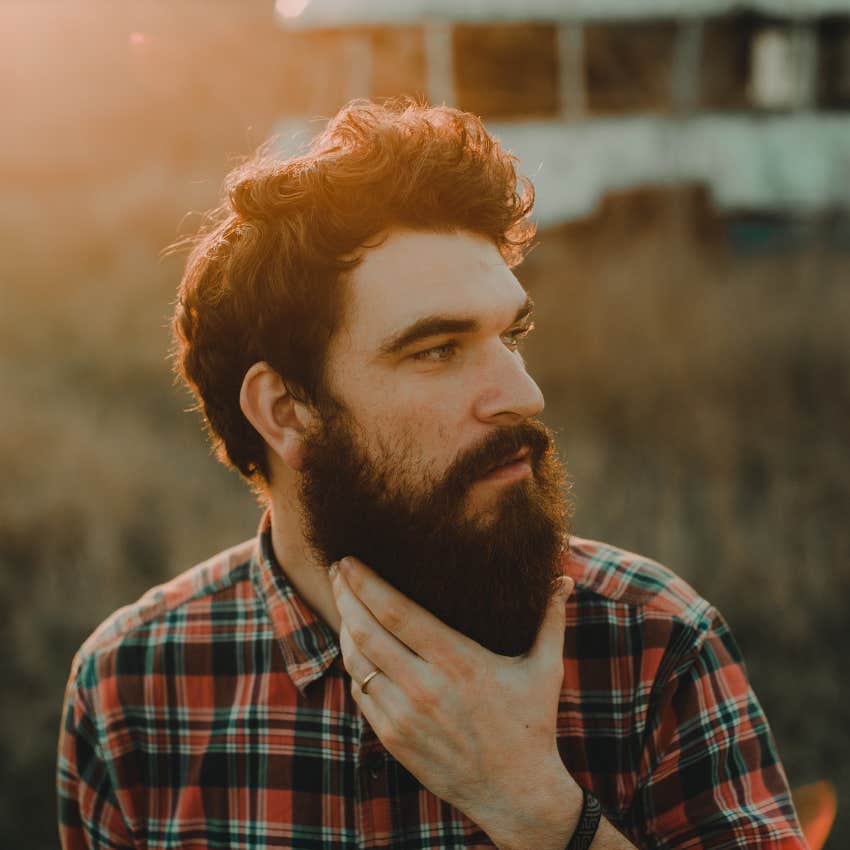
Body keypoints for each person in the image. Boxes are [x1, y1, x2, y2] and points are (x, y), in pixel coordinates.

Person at [57, 99, 807, 850]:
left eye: (511, 335)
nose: (524, 395)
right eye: (438, 349)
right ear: (286, 412)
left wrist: (533, 805)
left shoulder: (650, 646)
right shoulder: (134, 691)